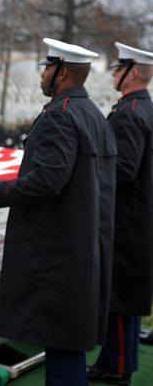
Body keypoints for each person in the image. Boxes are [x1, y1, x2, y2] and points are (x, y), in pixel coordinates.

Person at [0, 38, 117, 385]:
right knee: (66, 344)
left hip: (56, 252)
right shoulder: (92, 114)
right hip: (82, 244)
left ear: (63, 72)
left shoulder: (60, 115)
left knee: (61, 347)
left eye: (47, 68)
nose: (42, 75)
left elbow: (47, 180)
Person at [87, 42, 153, 385]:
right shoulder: (141, 107)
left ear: (134, 72)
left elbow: (123, 170)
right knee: (124, 294)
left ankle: (118, 365)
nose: (114, 73)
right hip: (137, 215)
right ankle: (117, 360)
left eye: (119, 68)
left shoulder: (130, 114)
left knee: (120, 295)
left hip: (126, 218)